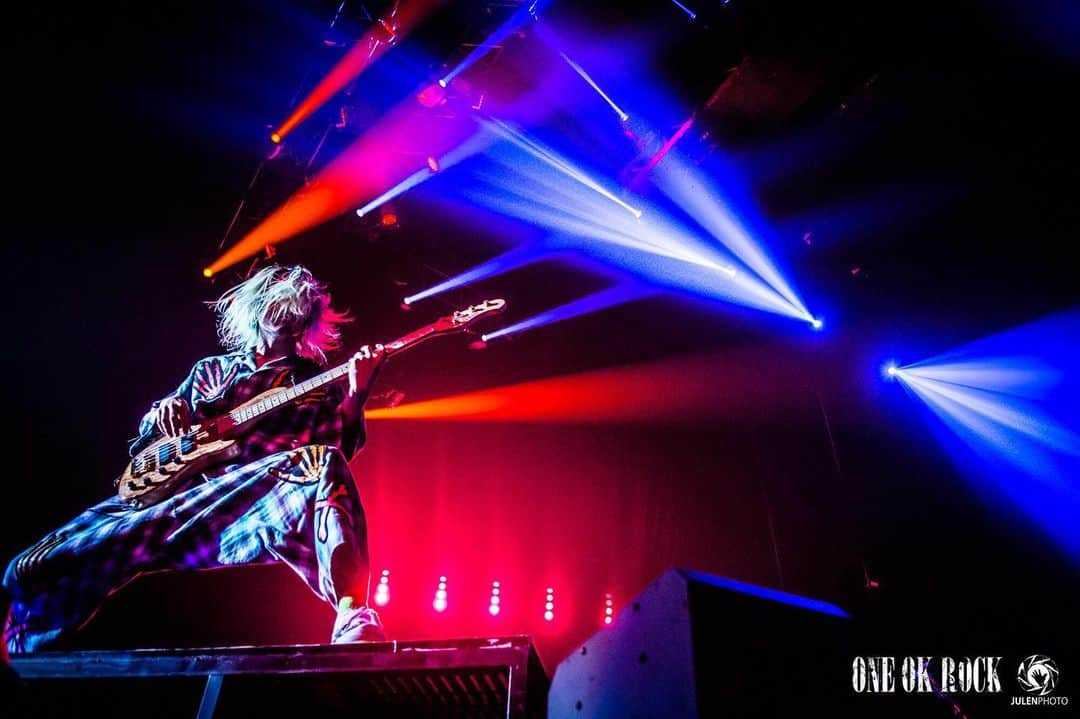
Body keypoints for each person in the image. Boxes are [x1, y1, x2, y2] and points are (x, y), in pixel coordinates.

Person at [3, 265, 385, 654]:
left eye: (297, 312)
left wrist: (355, 400)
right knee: (33, 565)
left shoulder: (315, 383)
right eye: (279, 306)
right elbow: (147, 443)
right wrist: (162, 410)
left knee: (322, 463)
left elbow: (334, 449)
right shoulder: (211, 370)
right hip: (177, 492)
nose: (287, 318)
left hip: (248, 495)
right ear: (258, 308)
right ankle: (24, 641)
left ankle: (353, 610)